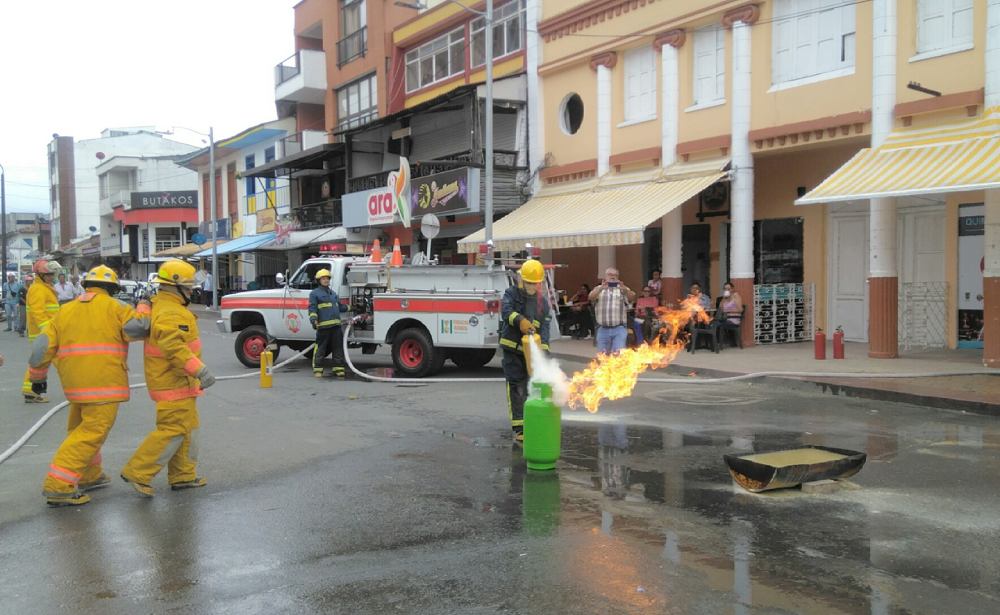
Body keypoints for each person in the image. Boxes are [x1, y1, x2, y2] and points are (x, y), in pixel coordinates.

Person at [28, 265, 151, 507]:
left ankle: (89, 475)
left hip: (74, 385)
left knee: (78, 430)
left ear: (86, 286)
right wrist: (145, 304)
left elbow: (42, 347)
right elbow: (140, 329)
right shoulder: (117, 307)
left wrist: (37, 378)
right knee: (90, 434)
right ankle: (58, 486)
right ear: (113, 289)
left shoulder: (66, 310)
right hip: (103, 384)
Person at [121, 260, 215, 497]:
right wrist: (199, 370)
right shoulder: (172, 311)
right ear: (175, 287)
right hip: (175, 382)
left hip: (180, 382)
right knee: (172, 430)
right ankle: (138, 472)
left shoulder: (164, 305)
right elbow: (174, 347)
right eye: (188, 287)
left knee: (188, 429)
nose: (192, 291)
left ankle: (183, 475)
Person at [500, 259, 552, 443]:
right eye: (528, 282)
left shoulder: (542, 304)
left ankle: (532, 422)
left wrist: (544, 352)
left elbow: (545, 329)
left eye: (534, 283)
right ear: (521, 279)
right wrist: (521, 321)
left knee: (532, 388)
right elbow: (506, 312)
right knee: (516, 387)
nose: (531, 286)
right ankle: (519, 427)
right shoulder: (511, 294)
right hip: (512, 350)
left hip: (531, 355)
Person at [22, 259, 62, 403]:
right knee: (63, 361)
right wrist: (48, 332)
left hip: (46, 333)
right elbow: (38, 313)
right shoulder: (38, 289)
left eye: (52, 274)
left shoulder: (44, 288)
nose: (52, 277)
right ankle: (78, 388)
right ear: (40, 275)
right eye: (49, 274)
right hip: (46, 334)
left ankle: (30, 391)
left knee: (38, 363)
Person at [588, 267, 635, 355]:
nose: (612, 277)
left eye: (615, 275)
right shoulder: (599, 288)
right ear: (605, 277)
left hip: (619, 328)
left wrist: (624, 289)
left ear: (618, 277)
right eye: (610, 275)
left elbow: (632, 297)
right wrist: (601, 288)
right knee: (603, 356)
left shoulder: (622, 289)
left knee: (619, 355)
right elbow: (591, 297)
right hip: (603, 329)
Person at [308, 268, 346, 378]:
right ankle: (318, 369)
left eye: (327, 278)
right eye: (323, 279)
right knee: (320, 348)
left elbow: (341, 306)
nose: (326, 280)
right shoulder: (314, 294)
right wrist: (313, 320)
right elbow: (312, 308)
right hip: (323, 326)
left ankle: (338, 369)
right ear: (319, 280)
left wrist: (351, 308)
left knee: (338, 348)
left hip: (336, 327)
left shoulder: (332, 293)